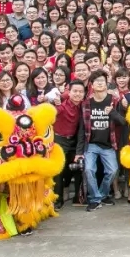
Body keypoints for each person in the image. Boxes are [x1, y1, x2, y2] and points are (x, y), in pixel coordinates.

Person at [79, 71, 124, 212]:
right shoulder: (86, 103)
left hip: (108, 144)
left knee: (112, 171)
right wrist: (79, 151)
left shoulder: (114, 101)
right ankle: (95, 199)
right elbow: (82, 128)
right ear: (91, 85)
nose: (99, 83)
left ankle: (103, 194)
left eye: (102, 81)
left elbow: (123, 121)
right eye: (96, 81)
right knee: (89, 169)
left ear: (106, 83)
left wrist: (112, 112)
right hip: (91, 144)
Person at [53, 80, 86, 208]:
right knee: (59, 170)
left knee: (79, 165)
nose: (78, 94)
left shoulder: (83, 106)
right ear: (69, 92)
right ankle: (58, 200)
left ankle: (78, 197)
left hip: (75, 140)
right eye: (75, 91)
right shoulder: (61, 105)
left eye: (81, 91)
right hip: (59, 140)